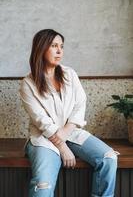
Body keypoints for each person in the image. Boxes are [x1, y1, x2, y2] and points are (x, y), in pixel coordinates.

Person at [19, 29, 119, 197]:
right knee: (42, 186)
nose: (59, 51)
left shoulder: (69, 74)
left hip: (71, 132)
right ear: (41, 48)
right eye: (54, 46)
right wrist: (62, 147)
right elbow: (42, 121)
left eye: (62, 46)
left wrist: (66, 133)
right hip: (45, 139)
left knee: (109, 158)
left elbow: (80, 105)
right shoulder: (27, 84)